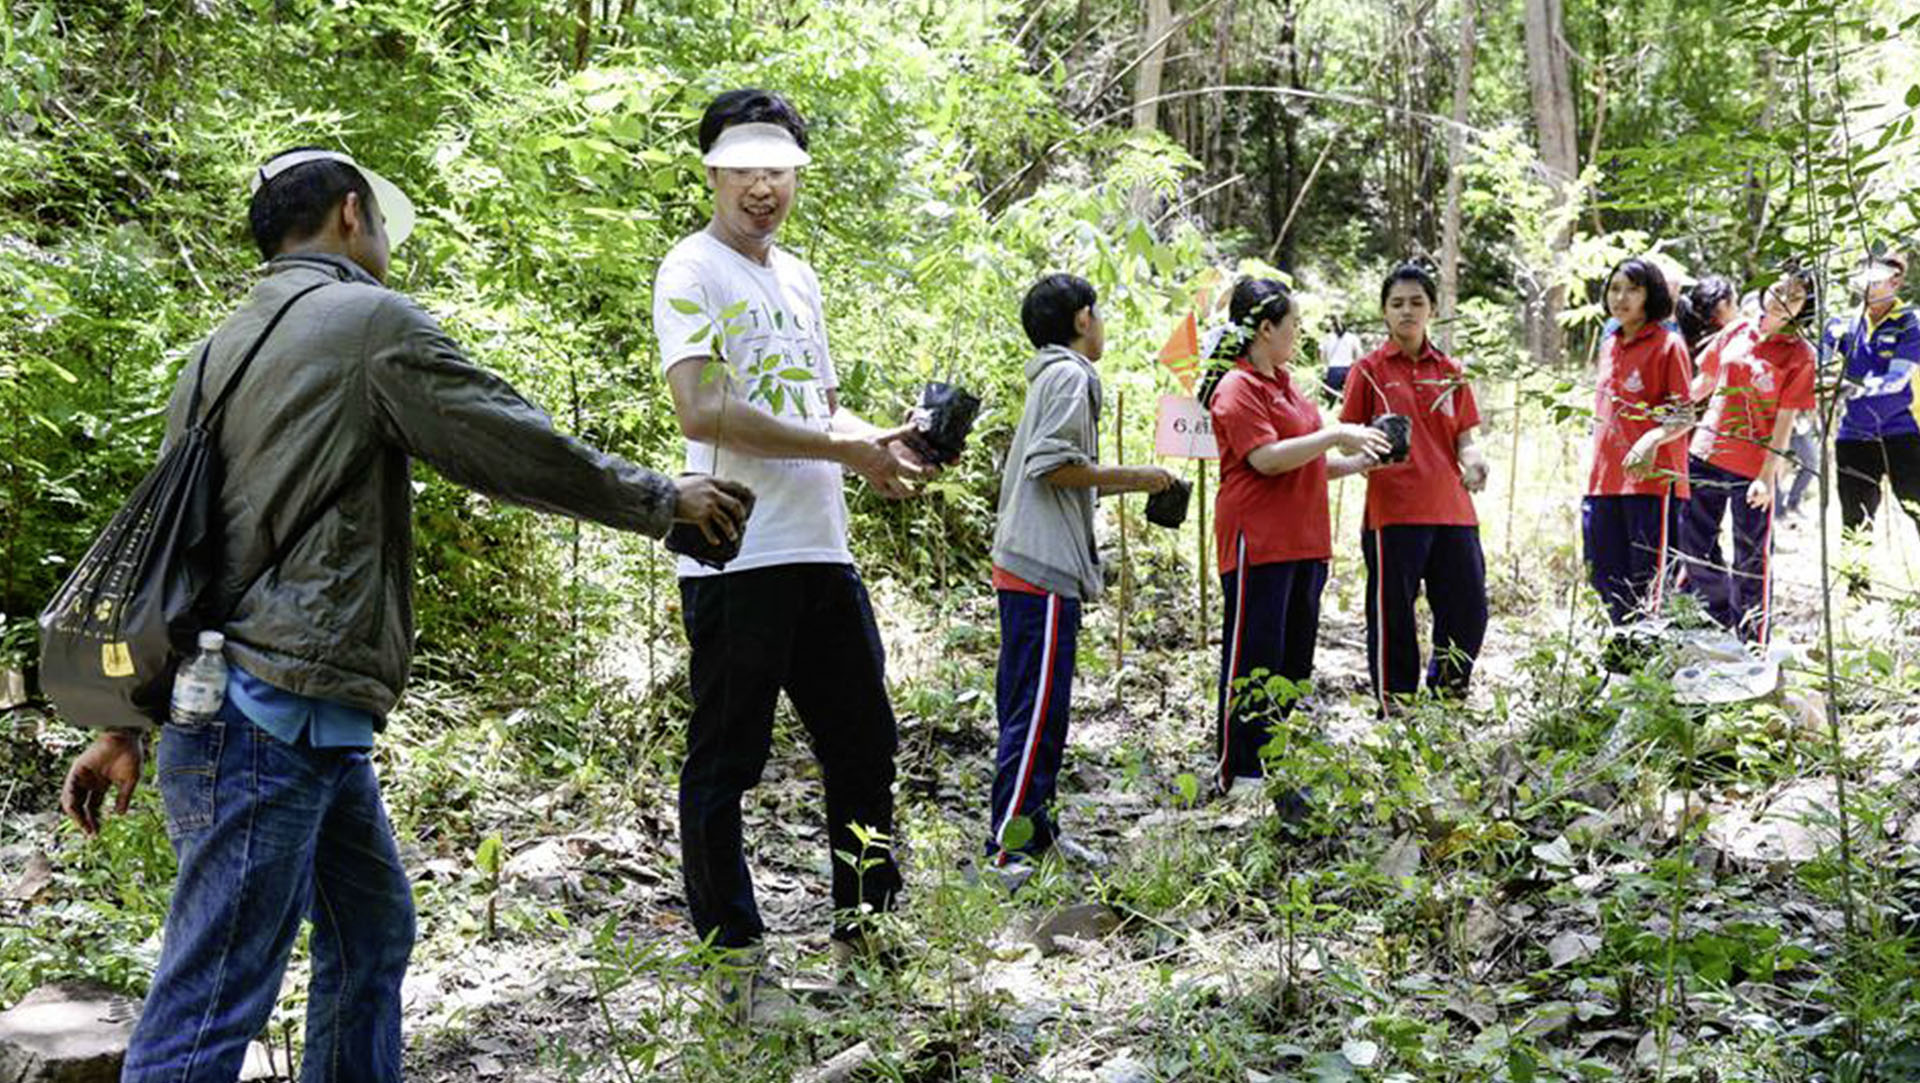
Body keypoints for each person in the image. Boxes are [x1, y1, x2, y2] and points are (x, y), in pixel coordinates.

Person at [57, 147, 748, 1083]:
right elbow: (507, 441)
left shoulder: (219, 347)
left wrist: (127, 716)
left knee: (372, 931)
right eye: (380, 221)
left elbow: (181, 549)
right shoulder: (366, 323)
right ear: (352, 215)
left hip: (269, 711)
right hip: (271, 714)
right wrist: (662, 497)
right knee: (212, 1001)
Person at [652, 89, 929, 975]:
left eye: (777, 168)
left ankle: (867, 930)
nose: (761, 185)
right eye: (743, 168)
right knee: (727, 760)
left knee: (864, 743)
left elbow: (819, 406)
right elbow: (704, 404)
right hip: (740, 552)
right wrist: (838, 446)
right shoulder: (690, 268)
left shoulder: (798, 276)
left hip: (822, 547)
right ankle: (733, 955)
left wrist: (876, 451)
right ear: (712, 173)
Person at [985, 273, 1174, 872]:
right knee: (1035, 714)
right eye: (1100, 313)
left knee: (1040, 710)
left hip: (1037, 567)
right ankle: (1007, 852)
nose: (1103, 324)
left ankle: (1036, 833)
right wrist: (1136, 477)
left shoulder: (1054, 374)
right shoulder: (1070, 375)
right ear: (1082, 319)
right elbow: (1053, 466)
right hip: (1039, 568)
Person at [1201, 279, 1388, 797]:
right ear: (1265, 328)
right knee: (1253, 655)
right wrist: (1334, 433)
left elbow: (1302, 460)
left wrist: (1354, 463)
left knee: (1292, 658)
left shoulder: (1284, 383)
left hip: (1306, 540)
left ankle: (1273, 759)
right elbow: (1265, 459)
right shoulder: (1237, 388)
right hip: (1258, 540)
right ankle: (1239, 769)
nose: (1299, 334)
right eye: (1293, 325)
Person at [1338, 264, 1490, 707]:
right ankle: (1396, 705)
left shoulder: (1451, 370)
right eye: (1397, 303)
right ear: (1384, 312)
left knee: (1468, 610)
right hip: (1393, 511)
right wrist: (1365, 459)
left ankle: (1447, 697)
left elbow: (1466, 439)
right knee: (1392, 615)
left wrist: (1476, 463)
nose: (1407, 311)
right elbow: (1348, 434)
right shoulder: (1366, 370)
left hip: (1453, 509)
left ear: (1433, 309)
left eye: (1416, 302)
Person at [1678, 272, 1814, 643]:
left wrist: (1767, 475)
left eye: (1797, 296)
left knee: (1752, 557)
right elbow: (1703, 382)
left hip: (1753, 468)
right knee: (1693, 546)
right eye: (1780, 288)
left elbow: (1785, 420)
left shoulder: (1800, 354)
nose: (1784, 298)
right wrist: (1665, 422)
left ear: (1805, 307)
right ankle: (1721, 617)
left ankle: (1752, 639)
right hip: (1704, 452)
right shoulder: (1737, 331)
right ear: (1766, 288)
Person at [1584, 257, 1695, 624]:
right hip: (1603, 483)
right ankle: (1621, 662)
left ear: (1652, 295)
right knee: (1603, 575)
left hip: (1653, 483)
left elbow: (1684, 414)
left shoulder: (1668, 344)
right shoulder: (1609, 343)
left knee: (1647, 584)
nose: (1622, 297)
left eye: (1633, 289)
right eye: (1615, 288)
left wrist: (1650, 438)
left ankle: (1646, 668)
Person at [1824, 251, 1920, 533]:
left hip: (1903, 430)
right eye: (1863, 280)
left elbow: (1898, 379)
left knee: (1917, 509)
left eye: (1876, 280)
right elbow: (1820, 367)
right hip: (1853, 434)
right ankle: (1857, 577)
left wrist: (1853, 387)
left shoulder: (1910, 322)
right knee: (1855, 522)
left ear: (1895, 281)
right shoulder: (1842, 324)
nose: (1868, 287)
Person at [1676, 274, 1738, 357]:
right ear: (1722, 306)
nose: (1737, 309)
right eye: (1735, 303)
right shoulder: (1726, 346)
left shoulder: (1685, 342)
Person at [1320, 313, 1363, 404]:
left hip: (1333, 369)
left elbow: (1322, 355)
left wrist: (1326, 365)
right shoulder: (1352, 338)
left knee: (1332, 399)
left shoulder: (1327, 338)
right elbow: (1359, 355)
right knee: (1348, 399)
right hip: (1349, 369)